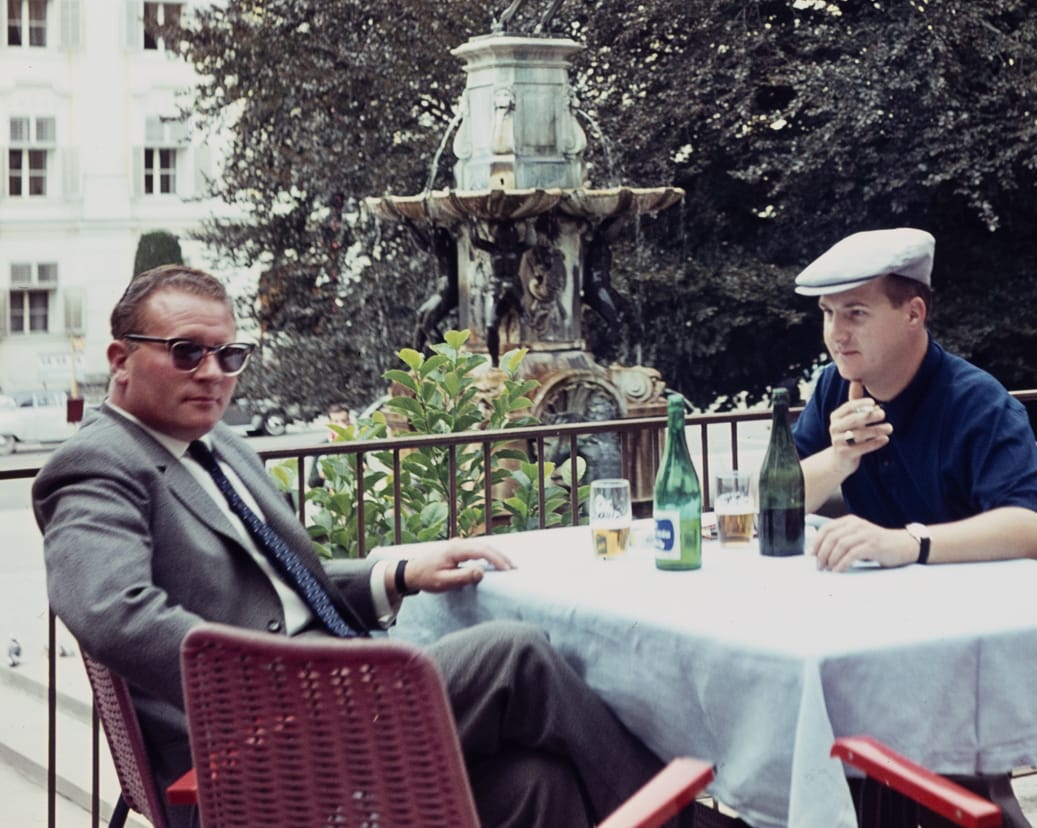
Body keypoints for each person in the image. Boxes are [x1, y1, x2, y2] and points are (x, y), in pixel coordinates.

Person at [33, 265, 667, 828]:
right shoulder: (98, 463)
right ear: (120, 359)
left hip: (332, 708)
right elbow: (111, 611)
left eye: (229, 356)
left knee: (536, 785)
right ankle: (677, 819)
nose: (211, 374)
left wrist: (397, 573)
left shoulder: (220, 446)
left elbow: (277, 584)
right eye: (185, 352)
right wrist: (287, 681)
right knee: (514, 654)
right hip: (253, 750)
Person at [790, 228, 1037, 572]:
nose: (836, 334)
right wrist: (838, 459)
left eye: (855, 313)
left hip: (985, 604)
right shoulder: (834, 385)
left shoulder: (977, 402)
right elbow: (768, 502)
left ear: (914, 314)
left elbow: (1031, 531)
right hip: (893, 604)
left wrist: (908, 542)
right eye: (828, 313)